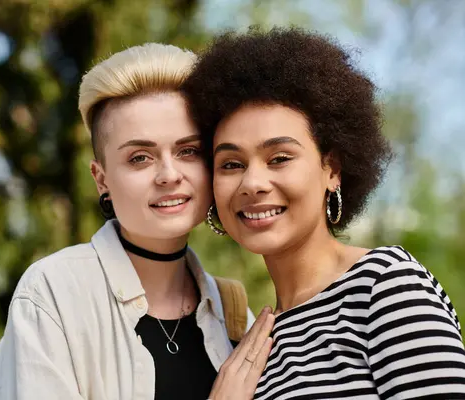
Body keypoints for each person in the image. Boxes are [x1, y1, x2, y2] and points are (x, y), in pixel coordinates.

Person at [183, 27, 465, 399]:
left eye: (279, 158)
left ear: (331, 169)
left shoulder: (383, 286)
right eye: (231, 164)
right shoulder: (251, 347)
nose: (252, 183)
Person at [0, 42, 275, 400]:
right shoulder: (54, 295)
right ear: (101, 178)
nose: (169, 175)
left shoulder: (230, 311)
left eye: (188, 151)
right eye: (140, 158)